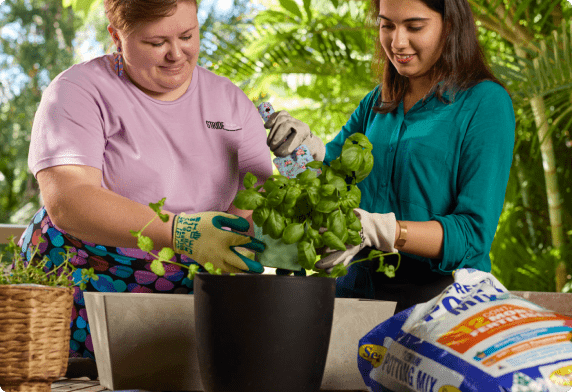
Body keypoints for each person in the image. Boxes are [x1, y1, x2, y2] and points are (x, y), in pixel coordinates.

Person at [18, 0, 272, 375]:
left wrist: (295, 160)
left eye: (187, 36)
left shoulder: (231, 102)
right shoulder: (77, 91)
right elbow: (69, 201)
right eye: (156, 43)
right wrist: (180, 231)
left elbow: (255, 203)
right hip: (78, 279)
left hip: (184, 292)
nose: (176, 54)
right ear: (117, 36)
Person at [265, 0, 515, 314]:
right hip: (351, 291)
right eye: (387, 25)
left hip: (438, 305)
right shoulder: (378, 101)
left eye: (414, 27)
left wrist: (384, 231)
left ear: (450, 26)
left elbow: (473, 236)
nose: (397, 42)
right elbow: (324, 185)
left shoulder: (485, 103)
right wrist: (301, 151)